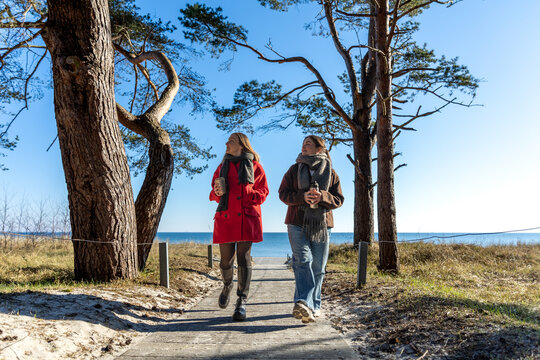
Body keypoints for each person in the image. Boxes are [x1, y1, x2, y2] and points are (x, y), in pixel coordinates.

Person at [278, 135, 344, 323]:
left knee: (318, 267)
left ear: (319, 149)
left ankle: (314, 305)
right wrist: (303, 196)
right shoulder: (293, 170)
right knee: (302, 261)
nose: (303, 147)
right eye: (302, 144)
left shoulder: (331, 173)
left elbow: (338, 199)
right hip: (296, 222)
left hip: (322, 225)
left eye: (308, 144)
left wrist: (322, 196)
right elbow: (283, 194)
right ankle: (303, 302)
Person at [209, 132, 269, 321]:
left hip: (246, 217)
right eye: (227, 141)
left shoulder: (255, 167)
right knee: (226, 260)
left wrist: (249, 192)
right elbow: (213, 192)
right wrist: (217, 192)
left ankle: (242, 301)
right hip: (226, 217)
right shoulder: (221, 167)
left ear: (242, 145)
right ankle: (227, 284)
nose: (227, 143)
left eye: (231, 141)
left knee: (244, 258)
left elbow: (264, 192)